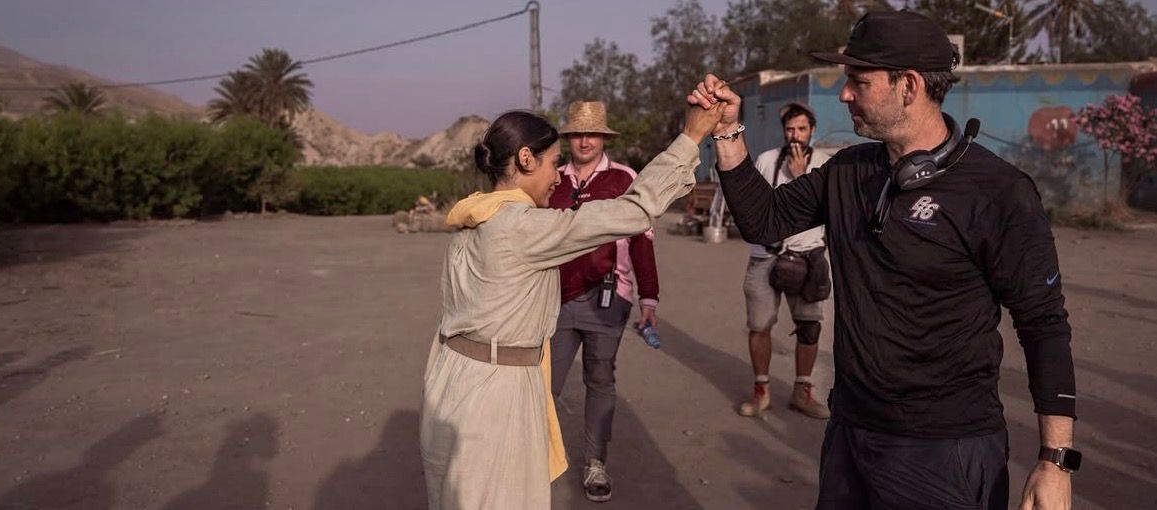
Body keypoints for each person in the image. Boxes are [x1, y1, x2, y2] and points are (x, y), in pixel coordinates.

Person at [689, 10, 1078, 510]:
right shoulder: (847, 171)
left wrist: (1054, 461)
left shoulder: (999, 192)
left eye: (859, 81)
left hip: (946, 451)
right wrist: (727, 132)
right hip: (850, 433)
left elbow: (1043, 324)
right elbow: (764, 221)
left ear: (908, 86)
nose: (844, 94)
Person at [419, 104, 722, 510]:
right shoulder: (521, 226)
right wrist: (692, 136)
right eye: (552, 163)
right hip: (494, 393)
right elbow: (633, 211)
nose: (558, 176)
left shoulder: (474, 215)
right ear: (525, 159)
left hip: (451, 379)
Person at [546, 101, 661, 503]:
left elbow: (642, 240)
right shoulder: (552, 180)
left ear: (604, 138)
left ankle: (595, 462)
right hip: (555, 299)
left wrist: (649, 297)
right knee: (544, 383)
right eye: (578, 134)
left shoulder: (623, 178)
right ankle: (537, 455)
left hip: (608, 298)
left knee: (599, 379)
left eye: (592, 134)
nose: (585, 141)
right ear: (568, 138)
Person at [711, 102, 833, 420]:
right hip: (765, 255)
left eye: (802, 129)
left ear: (812, 130)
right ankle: (761, 390)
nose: (795, 136)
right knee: (759, 325)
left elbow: (828, 211)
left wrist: (800, 177)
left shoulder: (824, 164)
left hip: (808, 255)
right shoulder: (766, 160)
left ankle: (802, 391)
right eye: (790, 129)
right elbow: (752, 204)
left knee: (809, 327)